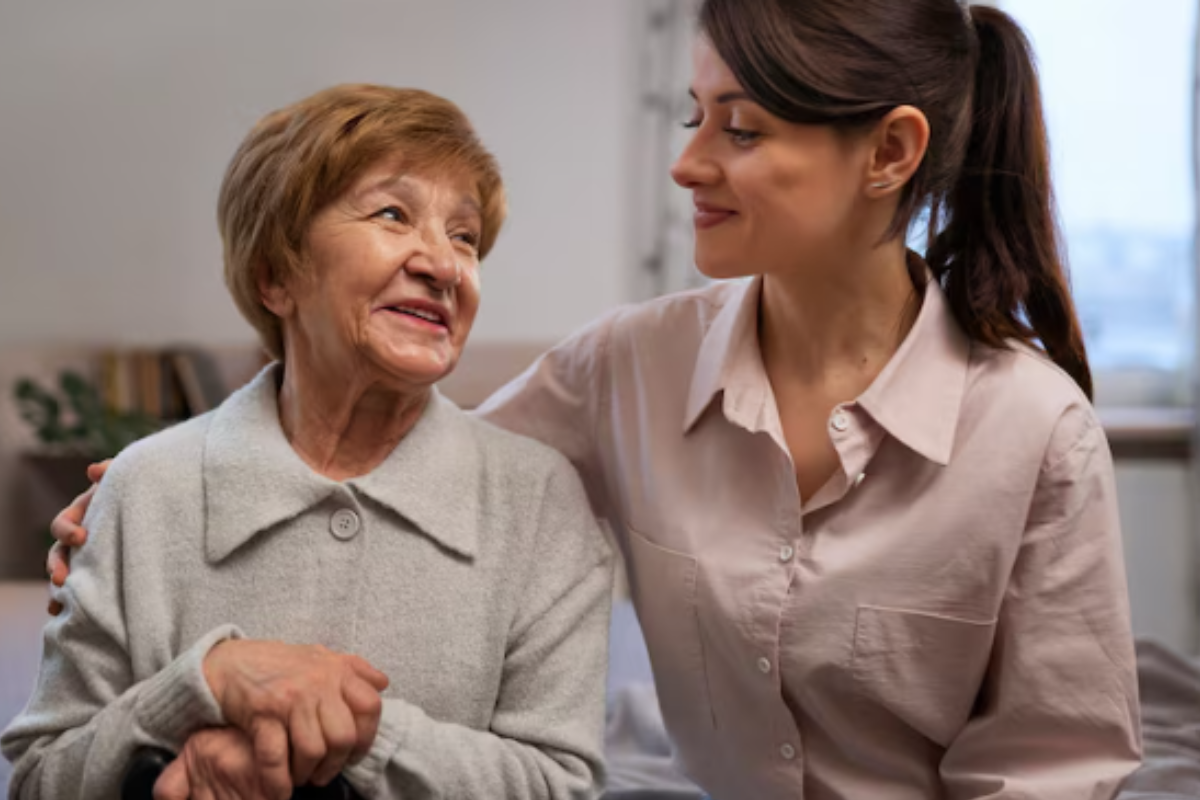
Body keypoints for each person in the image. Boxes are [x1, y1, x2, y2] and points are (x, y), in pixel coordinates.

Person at [44, 1, 1144, 797]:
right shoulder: (623, 367)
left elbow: (1053, 768)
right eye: (692, 114)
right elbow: (417, 468)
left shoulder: (1036, 430)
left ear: (890, 153)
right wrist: (138, 505)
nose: (688, 163)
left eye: (741, 128)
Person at [3, 84, 614, 800]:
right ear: (276, 277)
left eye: (465, 236)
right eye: (393, 213)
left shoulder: (538, 499)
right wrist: (203, 683)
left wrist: (358, 728)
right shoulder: (144, 488)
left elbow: (562, 787)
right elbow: (40, 779)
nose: (445, 266)